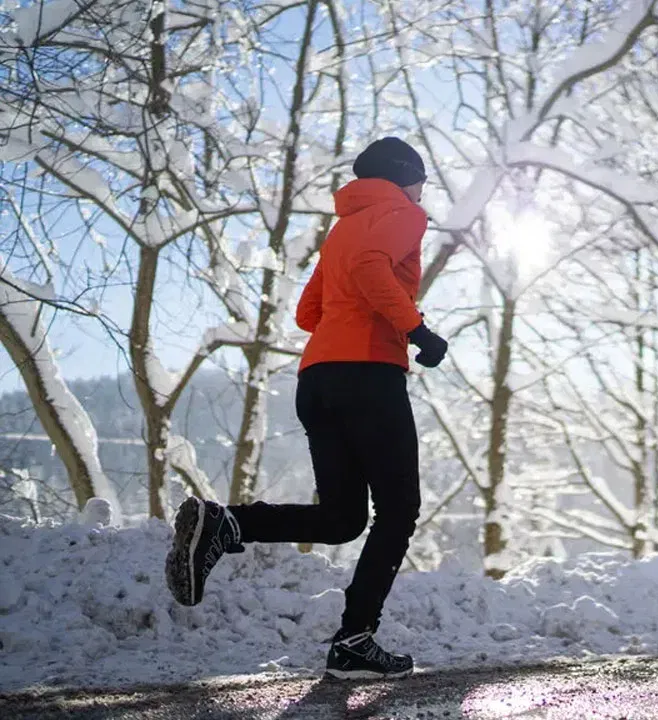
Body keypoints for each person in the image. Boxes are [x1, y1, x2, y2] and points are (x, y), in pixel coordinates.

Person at [164, 137, 449, 680]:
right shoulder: (403, 214)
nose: (423, 189)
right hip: (368, 377)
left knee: (343, 519)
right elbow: (370, 270)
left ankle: (226, 524)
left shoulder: (344, 227)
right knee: (398, 510)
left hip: (318, 379)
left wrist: (362, 321)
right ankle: (355, 641)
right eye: (421, 177)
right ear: (403, 174)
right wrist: (416, 329)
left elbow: (308, 311)